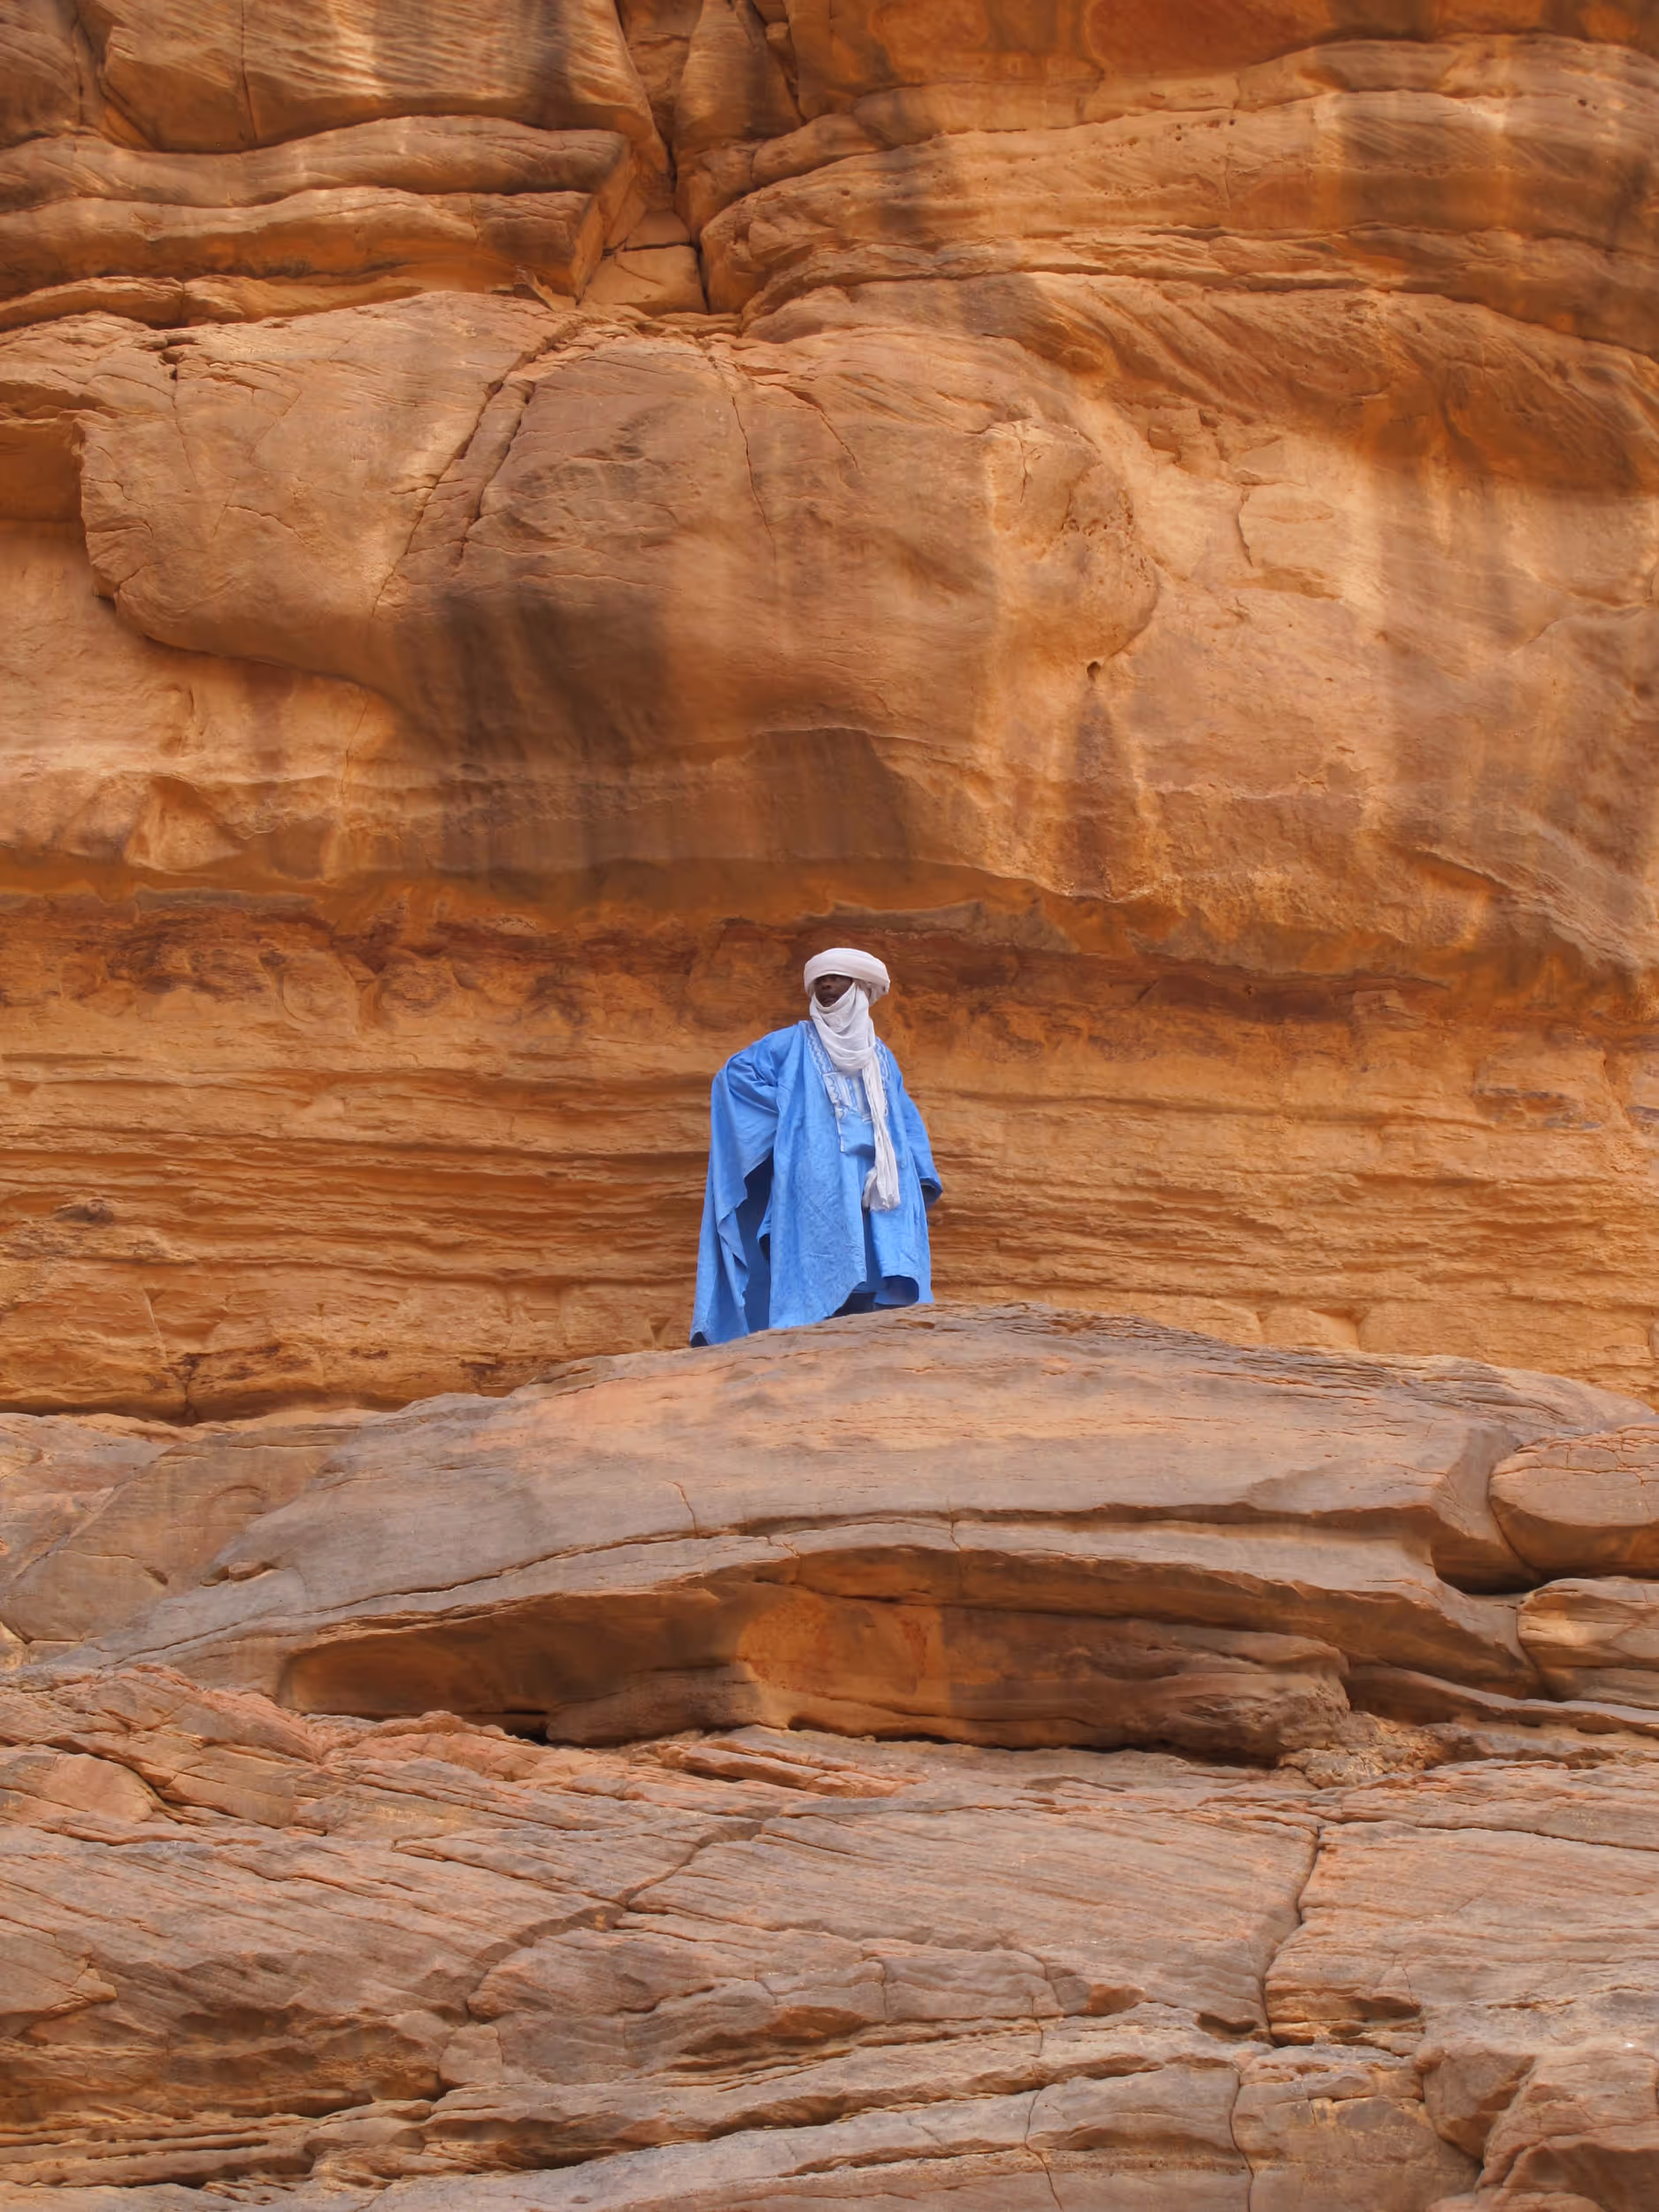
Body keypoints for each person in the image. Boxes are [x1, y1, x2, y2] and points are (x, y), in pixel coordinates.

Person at [690, 947, 941, 1345]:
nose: (826, 984)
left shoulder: (881, 1057)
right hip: (816, 1174)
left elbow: (903, 1115)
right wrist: (793, 1115)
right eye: (821, 979)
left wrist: (920, 1174)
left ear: (858, 987)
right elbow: (733, 1078)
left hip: (878, 1179)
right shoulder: (791, 1044)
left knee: (875, 1262)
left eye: (837, 978)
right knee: (819, 1256)